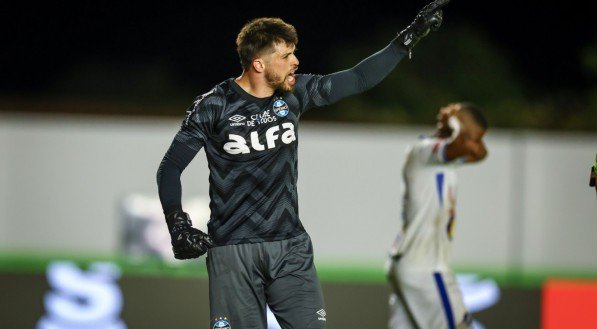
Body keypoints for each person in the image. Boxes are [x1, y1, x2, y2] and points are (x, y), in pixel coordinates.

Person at [156, 1, 450, 328]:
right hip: (232, 253)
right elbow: (170, 167)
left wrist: (406, 39)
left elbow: (359, 78)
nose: (295, 62)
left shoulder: (296, 93)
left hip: (290, 249)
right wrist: (177, 223)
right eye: (285, 56)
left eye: (294, 53)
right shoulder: (213, 105)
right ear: (258, 64)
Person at [386, 102, 488, 329]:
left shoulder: (447, 159)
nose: (474, 145)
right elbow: (463, 147)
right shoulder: (424, 150)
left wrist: (465, 129)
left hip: (411, 264)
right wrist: (457, 124)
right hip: (425, 266)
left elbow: (479, 153)